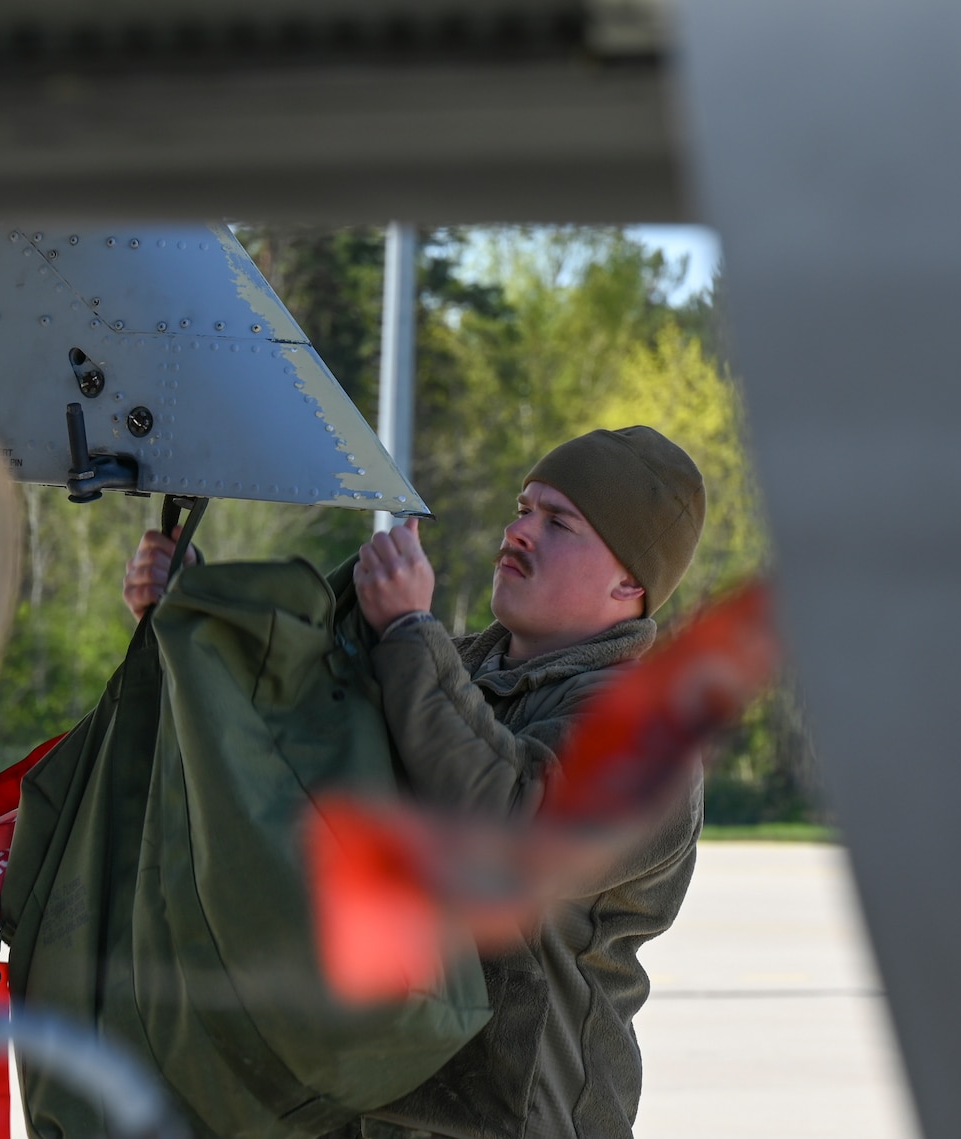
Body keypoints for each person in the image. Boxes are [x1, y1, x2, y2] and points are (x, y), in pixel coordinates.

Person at [124, 426, 707, 1139]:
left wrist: (406, 628)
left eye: (559, 522)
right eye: (523, 507)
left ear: (629, 581)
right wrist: (191, 620)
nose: (519, 530)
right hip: (375, 1101)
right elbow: (290, 761)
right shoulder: (441, 668)